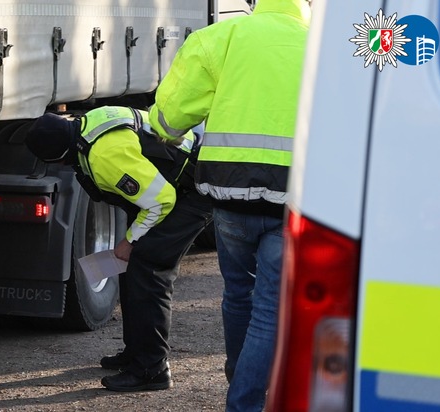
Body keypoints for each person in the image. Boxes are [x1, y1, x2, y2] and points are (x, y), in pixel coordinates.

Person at [147, 0, 310, 410]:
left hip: (229, 195)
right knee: (270, 310)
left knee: (239, 294)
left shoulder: (218, 38)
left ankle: (242, 378)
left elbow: (167, 121)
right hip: (294, 198)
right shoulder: (326, 47)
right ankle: (244, 398)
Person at [25, 106, 211, 392]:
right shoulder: (88, 124)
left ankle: (152, 370)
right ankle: (136, 352)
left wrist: (129, 241)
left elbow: (162, 201)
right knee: (133, 263)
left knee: (149, 268)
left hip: (191, 191)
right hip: (176, 184)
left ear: (59, 156)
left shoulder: (103, 156)